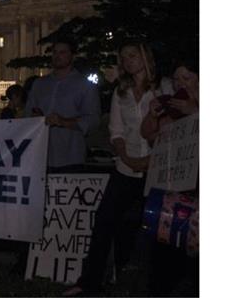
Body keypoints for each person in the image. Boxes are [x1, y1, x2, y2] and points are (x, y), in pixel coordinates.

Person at [63, 42, 173, 296]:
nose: (128, 61)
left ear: (145, 57)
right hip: (125, 167)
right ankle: (90, 281)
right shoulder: (120, 92)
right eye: (124, 58)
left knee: (154, 227)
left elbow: (170, 130)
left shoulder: (163, 88)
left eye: (133, 56)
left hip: (156, 168)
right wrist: (126, 156)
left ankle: (154, 285)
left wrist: (148, 160)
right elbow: (116, 130)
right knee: (104, 221)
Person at [141, 58, 199, 297]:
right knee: (166, 241)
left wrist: (195, 112)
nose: (180, 84)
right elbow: (150, 135)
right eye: (176, 79)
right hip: (175, 186)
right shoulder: (171, 106)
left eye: (187, 78)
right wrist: (153, 116)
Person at [24, 39, 101, 172]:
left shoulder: (84, 85)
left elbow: (93, 120)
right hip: (41, 156)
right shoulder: (39, 84)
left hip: (71, 157)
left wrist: (63, 122)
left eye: (62, 52)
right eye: (54, 52)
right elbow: (27, 114)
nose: (57, 56)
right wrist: (35, 117)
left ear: (73, 55)